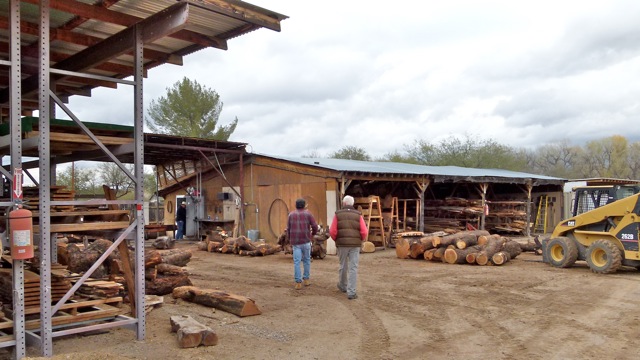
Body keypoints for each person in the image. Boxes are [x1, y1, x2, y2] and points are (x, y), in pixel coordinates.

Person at [329, 195, 368, 300]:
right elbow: (364, 231)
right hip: (355, 245)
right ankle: (351, 292)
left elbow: (332, 231)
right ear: (352, 204)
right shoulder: (358, 215)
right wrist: (361, 240)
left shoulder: (338, 214)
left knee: (343, 265)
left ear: (344, 203)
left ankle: (342, 285)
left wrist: (337, 240)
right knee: (353, 267)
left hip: (342, 245)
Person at [287, 198, 318, 290]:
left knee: (297, 262)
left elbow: (288, 229)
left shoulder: (291, 215)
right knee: (307, 260)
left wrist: (289, 239)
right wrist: (313, 234)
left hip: (296, 242)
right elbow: (315, 226)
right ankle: (306, 279)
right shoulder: (308, 214)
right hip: (306, 240)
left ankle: (298, 282)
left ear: (296, 205)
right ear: (304, 205)